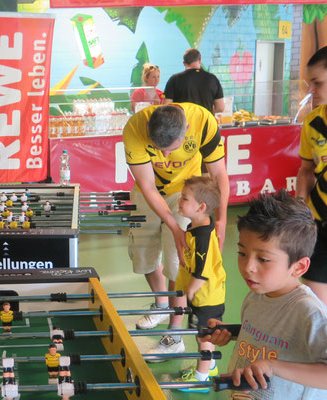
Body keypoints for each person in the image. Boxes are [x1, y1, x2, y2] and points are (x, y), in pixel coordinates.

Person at [122, 104, 229, 356]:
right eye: (159, 150)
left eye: (170, 149)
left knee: (178, 263)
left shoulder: (203, 121)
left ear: (186, 130)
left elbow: (220, 174)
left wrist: (221, 219)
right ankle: (161, 304)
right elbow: (147, 186)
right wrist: (172, 225)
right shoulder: (134, 128)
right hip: (147, 193)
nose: (166, 157)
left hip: (186, 195)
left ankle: (175, 334)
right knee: (143, 258)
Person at [202, 191, 327, 398]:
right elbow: (275, 336)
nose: (248, 267)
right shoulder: (256, 295)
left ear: (299, 267)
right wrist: (233, 333)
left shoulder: (309, 312)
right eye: (242, 253)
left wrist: (272, 366)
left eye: (263, 259)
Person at [169, 176, 225, 392]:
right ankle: (209, 366)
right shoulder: (196, 224)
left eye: (184, 198)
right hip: (203, 297)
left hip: (207, 297)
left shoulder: (203, 236)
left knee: (205, 337)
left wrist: (189, 291)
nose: (179, 202)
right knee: (201, 334)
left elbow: (202, 272)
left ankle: (200, 380)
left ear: (201, 207)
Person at [296, 45, 327, 305]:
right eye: (310, 83)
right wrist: (299, 206)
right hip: (320, 224)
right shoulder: (312, 123)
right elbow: (306, 171)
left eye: (317, 83)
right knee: (316, 306)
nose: (311, 90)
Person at [163, 48, 225, 114]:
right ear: (200, 60)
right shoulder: (212, 79)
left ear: (184, 63)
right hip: (205, 122)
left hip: (184, 123)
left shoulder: (174, 79)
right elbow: (220, 108)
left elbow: (166, 106)